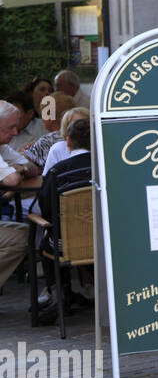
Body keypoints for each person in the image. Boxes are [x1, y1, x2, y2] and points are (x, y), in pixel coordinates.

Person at [33, 118, 93, 324]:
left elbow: (46, 209)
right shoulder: (106, 168)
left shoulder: (58, 172)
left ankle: (58, 295)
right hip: (104, 242)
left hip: (65, 245)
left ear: (68, 142)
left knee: (47, 240)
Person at [0, 101, 39, 290]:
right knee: (21, 238)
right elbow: (11, 180)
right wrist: (18, 170)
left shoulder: (3, 147)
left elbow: (32, 168)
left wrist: (20, 168)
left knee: (24, 233)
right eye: (11, 127)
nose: (16, 132)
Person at [22, 92, 77, 171]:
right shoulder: (80, 136)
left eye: (42, 115)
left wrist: (22, 151)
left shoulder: (47, 141)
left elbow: (22, 161)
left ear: (49, 118)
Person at [41, 107, 90, 174]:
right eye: (74, 124)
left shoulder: (101, 146)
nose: (80, 128)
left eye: (84, 123)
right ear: (66, 128)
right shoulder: (57, 149)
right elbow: (48, 178)